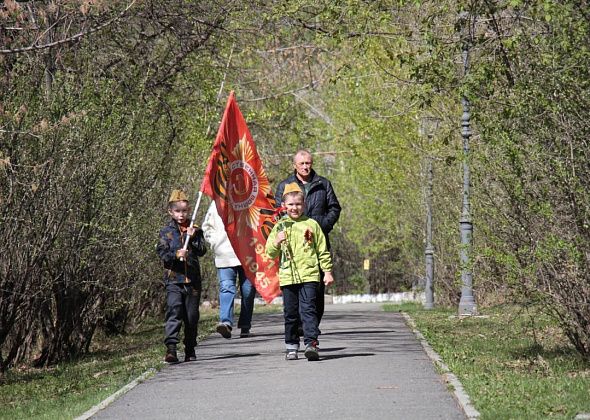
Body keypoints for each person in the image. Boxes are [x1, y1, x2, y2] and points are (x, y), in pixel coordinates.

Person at [266, 183, 334, 361]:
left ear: (304, 205)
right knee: (291, 313)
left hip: (310, 275)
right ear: (284, 205)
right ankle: (291, 345)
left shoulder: (312, 224)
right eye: (290, 204)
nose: (294, 208)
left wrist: (326, 271)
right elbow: (269, 253)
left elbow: (322, 250)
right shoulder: (280, 226)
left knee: (309, 310)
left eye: (298, 204)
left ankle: (311, 344)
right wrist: (276, 242)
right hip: (288, 277)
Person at [274, 149, 341, 327]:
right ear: (294, 165)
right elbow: (278, 212)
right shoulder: (285, 185)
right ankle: (299, 327)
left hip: (317, 241)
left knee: (316, 289)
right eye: (302, 163)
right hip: (293, 245)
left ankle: (311, 326)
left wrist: (321, 225)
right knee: (295, 288)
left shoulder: (323, 184)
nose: (306, 167)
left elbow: (335, 208)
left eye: (308, 163)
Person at [156, 189, 207, 363]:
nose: (181, 214)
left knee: (191, 317)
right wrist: (176, 255)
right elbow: (162, 253)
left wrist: (193, 238)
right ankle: (171, 348)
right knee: (174, 311)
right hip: (174, 280)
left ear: (189, 210)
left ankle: (190, 348)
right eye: (177, 211)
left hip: (192, 282)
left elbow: (202, 251)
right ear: (171, 212)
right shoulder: (166, 232)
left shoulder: (195, 230)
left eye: (184, 211)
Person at [202, 201, 256, 339]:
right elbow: (207, 227)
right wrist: (216, 243)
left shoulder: (248, 200)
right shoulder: (216, 203)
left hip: (248, 254)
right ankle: (225, 322)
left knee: (248, 291)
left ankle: (245, 324)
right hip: (225, 254)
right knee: (226, 287)